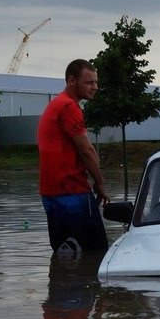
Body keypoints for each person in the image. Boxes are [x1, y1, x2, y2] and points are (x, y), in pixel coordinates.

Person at [37, 59, 109, 255]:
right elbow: (86, 150)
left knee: (67, 255)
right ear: (71, 81)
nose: (95, 87)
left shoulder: (56, 104)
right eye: (89, 82)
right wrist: (100, 184)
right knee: (95, 253)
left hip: (53, 193)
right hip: (70, 192)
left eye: (96, 82)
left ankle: (63, 283)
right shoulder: (69, 107)